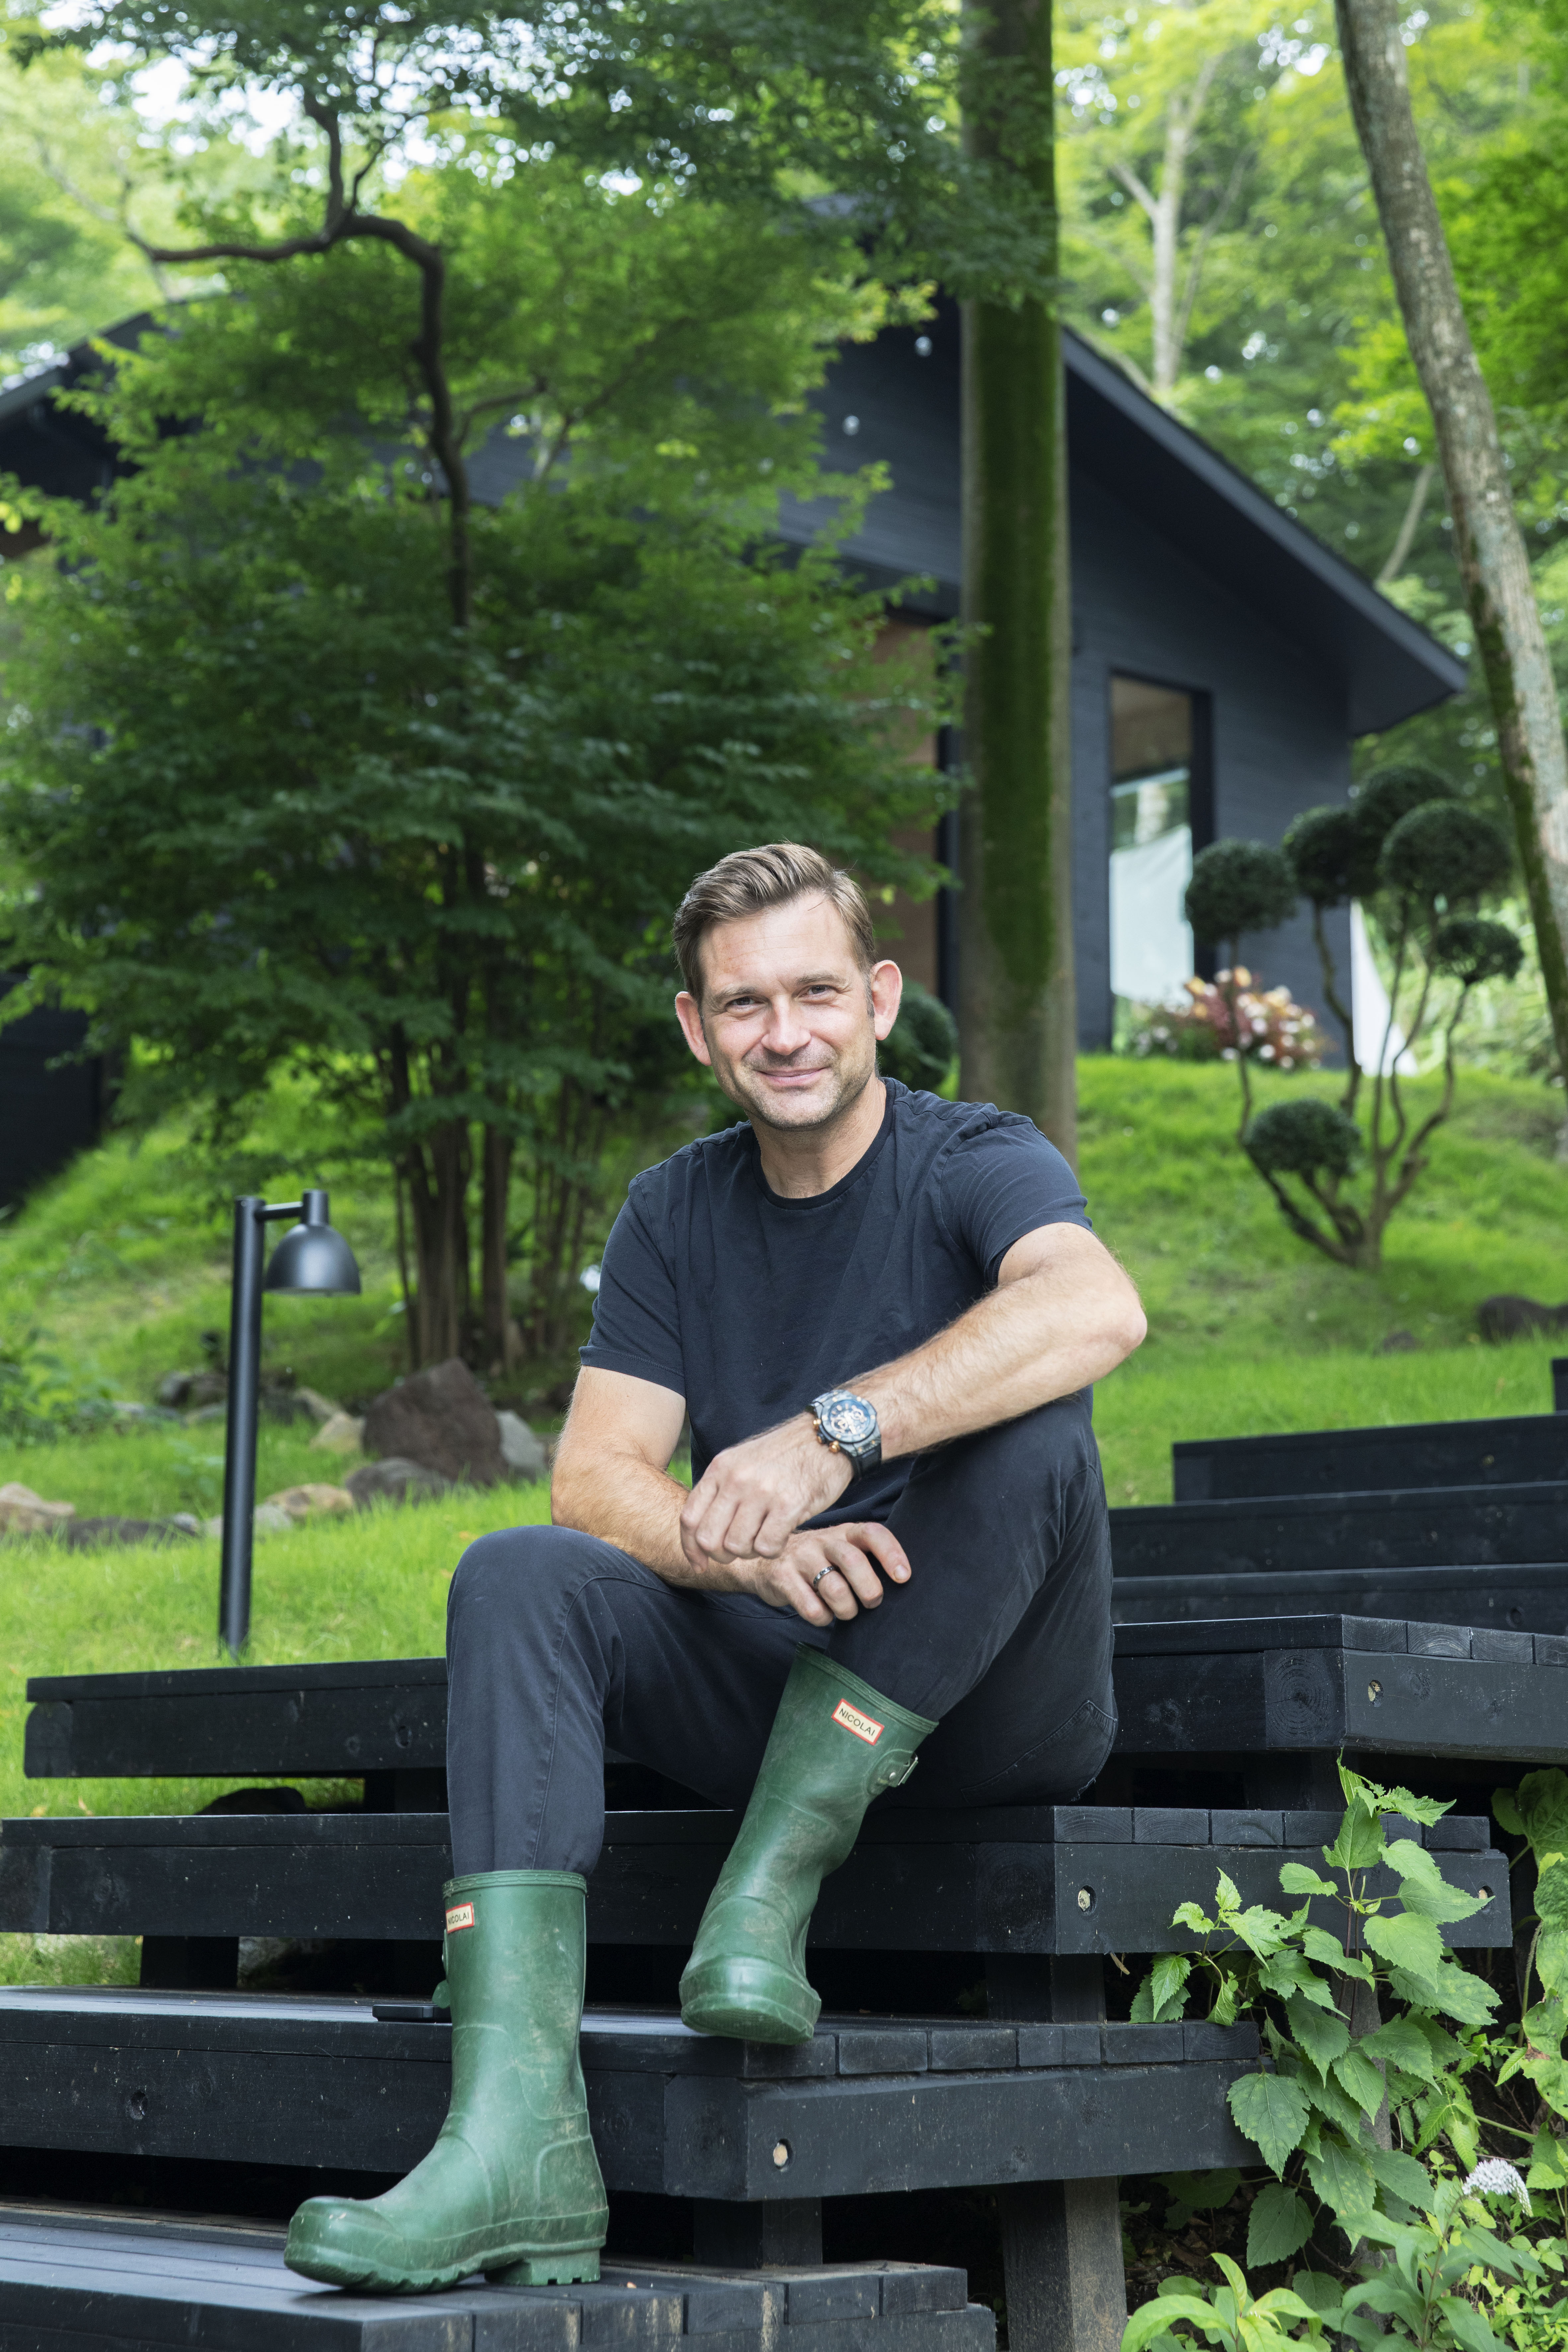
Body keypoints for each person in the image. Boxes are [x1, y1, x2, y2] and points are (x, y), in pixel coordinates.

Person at [286, 842, 1146, 2296]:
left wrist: (832, 1433)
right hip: (782, 1660)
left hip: (992, 1702)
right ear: (697, 1027)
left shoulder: (976, 1156)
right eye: (744, 1003)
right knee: (517, 1570)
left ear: (879, 998)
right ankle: (513, 2145)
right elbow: (593, 1475)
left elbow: (1095, 1306)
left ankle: (764, 1895)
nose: (784, 1031)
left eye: (816, 991)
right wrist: (748, 1559)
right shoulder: (672, 1209)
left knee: (1036, 1418)